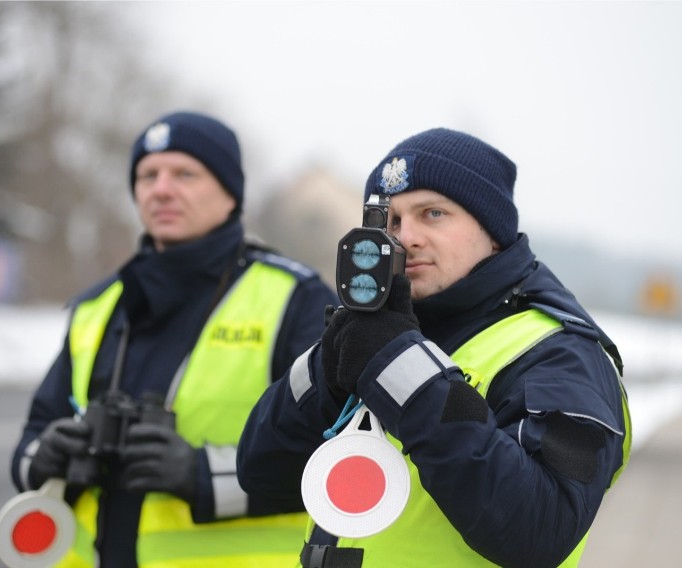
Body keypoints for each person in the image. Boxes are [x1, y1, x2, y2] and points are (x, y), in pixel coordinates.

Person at [237, 128, 631, 568]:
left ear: (493, 230)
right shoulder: (373, 330)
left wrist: (402, 369)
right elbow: (262, 473)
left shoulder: (562, 354)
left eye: (433, 214)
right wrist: (331, 362)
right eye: (392, 221)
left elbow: (539, 528)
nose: (407, 239)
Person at [10, 111, 338, 568]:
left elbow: (336, 460)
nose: (161, 188)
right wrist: (44, 457)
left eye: (185, 173)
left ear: (230, 194)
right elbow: (31, 439)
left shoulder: (296, 300)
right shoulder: (97, 307)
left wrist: (202, 475)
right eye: (147, 175)